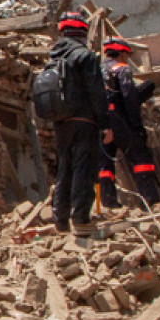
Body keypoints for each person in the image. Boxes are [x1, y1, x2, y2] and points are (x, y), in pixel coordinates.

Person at [47, 12, 111, 235]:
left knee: (64, 168)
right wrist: (105, 123)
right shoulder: (86, 56)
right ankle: (81, 219)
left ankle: (60, 221)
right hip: (85, 121)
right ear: (83, 33)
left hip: (61, 122)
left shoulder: (53, 58)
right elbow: (97, 92)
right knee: (84, 168)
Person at [96, 37, 160, 208]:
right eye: (127, 55)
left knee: (104, 165)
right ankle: (150, 202)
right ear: (122, 53)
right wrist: (137, 126)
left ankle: (106, 203)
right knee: (141, 158)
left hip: (101, 123)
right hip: (119, 119)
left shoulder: (96, 70)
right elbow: (129, 98)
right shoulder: (121, 69)